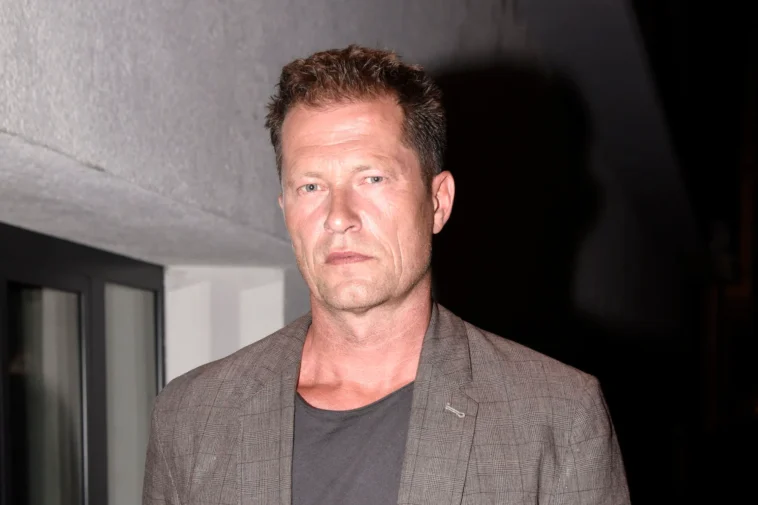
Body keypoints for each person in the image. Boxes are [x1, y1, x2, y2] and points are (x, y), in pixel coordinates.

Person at [142, 45, 630, 505]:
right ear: (286, 209)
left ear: (437, 202)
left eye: (372, 178)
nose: (339, 217)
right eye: (310, 186)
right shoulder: (190, 415)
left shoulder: (557, 415)